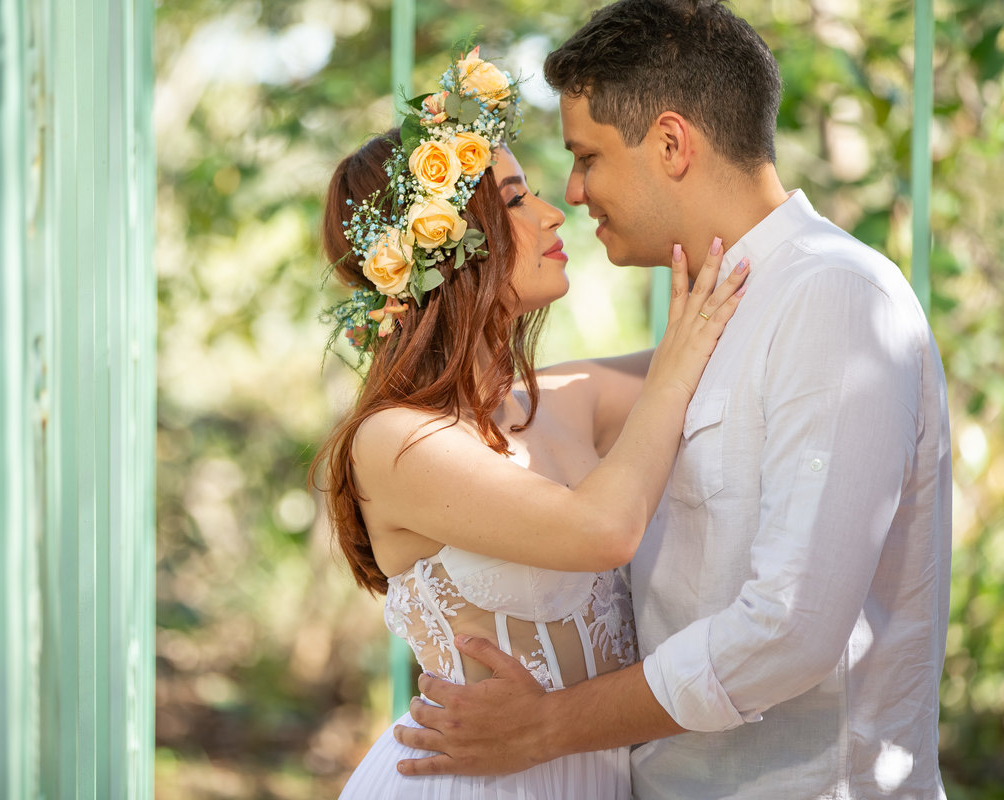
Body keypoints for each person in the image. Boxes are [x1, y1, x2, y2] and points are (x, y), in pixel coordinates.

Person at [393, 2, 953, 798]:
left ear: (669, 143)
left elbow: (792, 627)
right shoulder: (717, 311)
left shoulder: (833, 298)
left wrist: (550, 726)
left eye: (586, 157)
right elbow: (510, 411)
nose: (576, 193)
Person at [314, 45, 747, 798]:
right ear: (449, 253)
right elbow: (602, 530)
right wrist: (675, 363)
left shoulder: (564, 396)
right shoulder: (398, 441)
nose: (554, 211)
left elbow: (734, 335)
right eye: (514, 201)